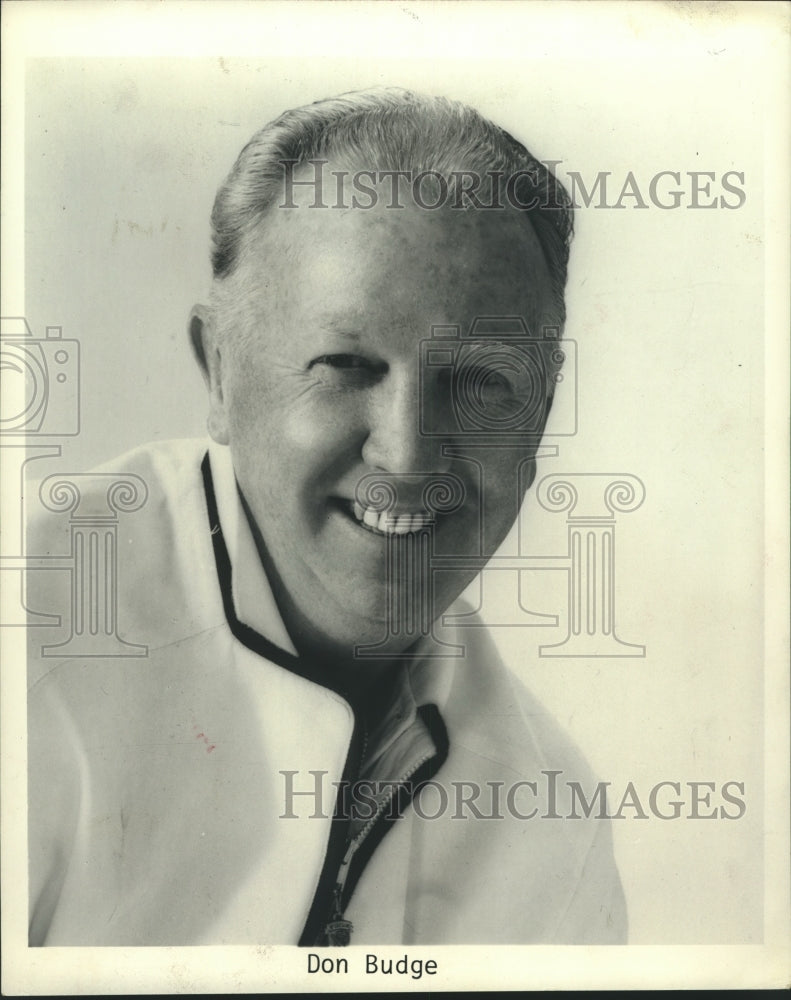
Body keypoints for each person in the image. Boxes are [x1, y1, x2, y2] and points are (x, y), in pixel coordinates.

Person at [27, 88, 627, 946]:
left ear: (541, 407)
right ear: (220, 375)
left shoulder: (554, 814)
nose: (408, 453)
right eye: (345, 364)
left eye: (482, 380)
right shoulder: (32, 639)